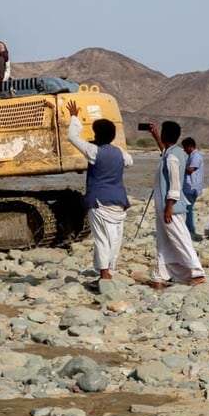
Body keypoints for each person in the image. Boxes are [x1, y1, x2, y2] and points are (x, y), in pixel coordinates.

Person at [65, 100, 133, 292]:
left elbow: (72, 137)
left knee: (102, 239)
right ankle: (109, 271)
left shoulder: (94, 152)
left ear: (96, 135)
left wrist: (74, 116)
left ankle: (104, 276)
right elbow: (129, 161)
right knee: (115, 239)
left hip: (99, 201)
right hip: (119, 202)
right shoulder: (120, 153)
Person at [144, 121, 206, 288]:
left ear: (166, 135)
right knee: (164, 241)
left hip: (171, 208)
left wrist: (169, 206)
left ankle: (197, 272)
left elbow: (175, 184)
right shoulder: (173, 152)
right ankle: (161, 275)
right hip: (165, 207)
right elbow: (164, 152)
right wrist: (155, 135)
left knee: (180, 238)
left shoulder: (173, 156)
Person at [181, 137, 205, 239]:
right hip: (189, 186)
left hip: (192, 187)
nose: (184, 150)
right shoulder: (192, 155)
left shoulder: (196, 156)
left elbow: (191, 169)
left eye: (185, 148)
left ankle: (190, 229)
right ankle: (188, 229)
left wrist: (179, 166)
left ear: (190, 147)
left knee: (188, 209)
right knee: (188, 208)